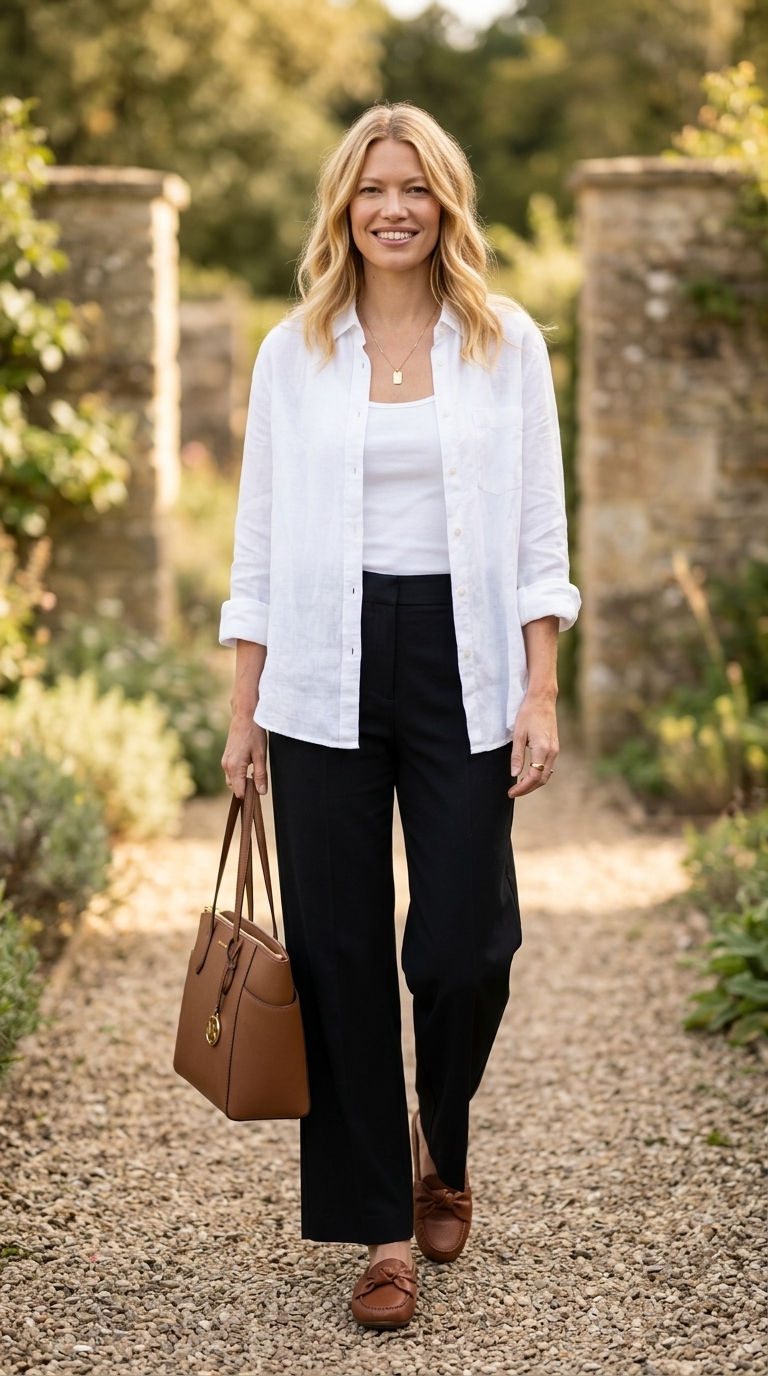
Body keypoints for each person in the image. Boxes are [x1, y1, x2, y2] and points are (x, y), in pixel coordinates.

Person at [220, 102, 580, 1329]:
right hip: (321, 659)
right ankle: (382, 1227)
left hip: (464, 658)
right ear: (344, 204)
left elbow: (540, 532)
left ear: (445, 204)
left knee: (466, 944)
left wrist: (539, 685)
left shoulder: (506, 342)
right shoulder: (293, 352)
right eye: (373, 187)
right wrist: (244, 708)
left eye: (414, 188)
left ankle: (449, 1130)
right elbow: (258, 541)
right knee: (339, 953)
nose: (393, 207)